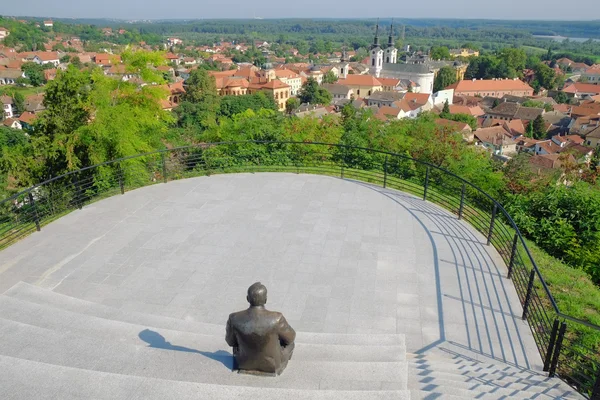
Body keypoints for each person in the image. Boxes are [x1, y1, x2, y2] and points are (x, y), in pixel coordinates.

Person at [226, 282, 296, 375]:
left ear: (247, 299)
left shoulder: (234, 318)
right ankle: (276, 365)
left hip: (244, 363)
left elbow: (230, 342)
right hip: (271, 365)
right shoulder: (277, 318)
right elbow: (290, 338)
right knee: (290, 344)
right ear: (265, 300)